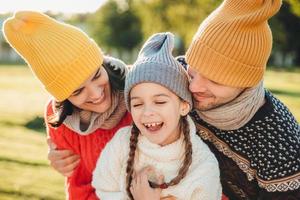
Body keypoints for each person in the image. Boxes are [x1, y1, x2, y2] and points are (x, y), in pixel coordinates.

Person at [176, 0, 300, 199]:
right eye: (194, 71)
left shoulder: (280, 141)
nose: (193, 87)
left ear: (246, 83)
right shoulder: (176, 75)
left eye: (214, 80)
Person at [3, 11, 132, 200]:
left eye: (97, 75)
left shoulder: (140, 87)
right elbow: (80, 187)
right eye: (78, 91)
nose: (96, 94)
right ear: (63, 98)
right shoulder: (59, 117)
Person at [92, 32, 222, 200]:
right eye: (138, 104)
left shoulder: (203, 165)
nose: (147, 112)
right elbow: (104, 188)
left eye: (160, 102)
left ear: (184, 106)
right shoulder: (121, 143)